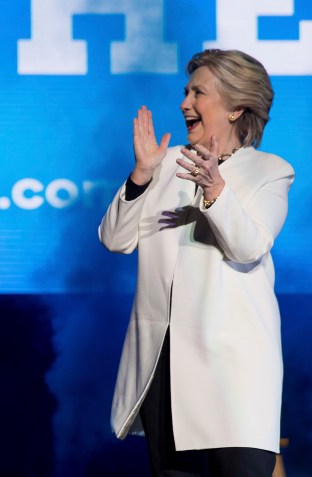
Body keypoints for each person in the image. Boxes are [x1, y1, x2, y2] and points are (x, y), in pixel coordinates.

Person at [99, 49, 294, 476]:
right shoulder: (164, 165)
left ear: (235, 107)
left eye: (198, 93)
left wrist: (215, 190)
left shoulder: (269, 171)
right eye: (186, 92)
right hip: (164, 363)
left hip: (233, 367)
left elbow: (248, 247)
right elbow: (114, 239)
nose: (184, 103)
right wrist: (141, 175)